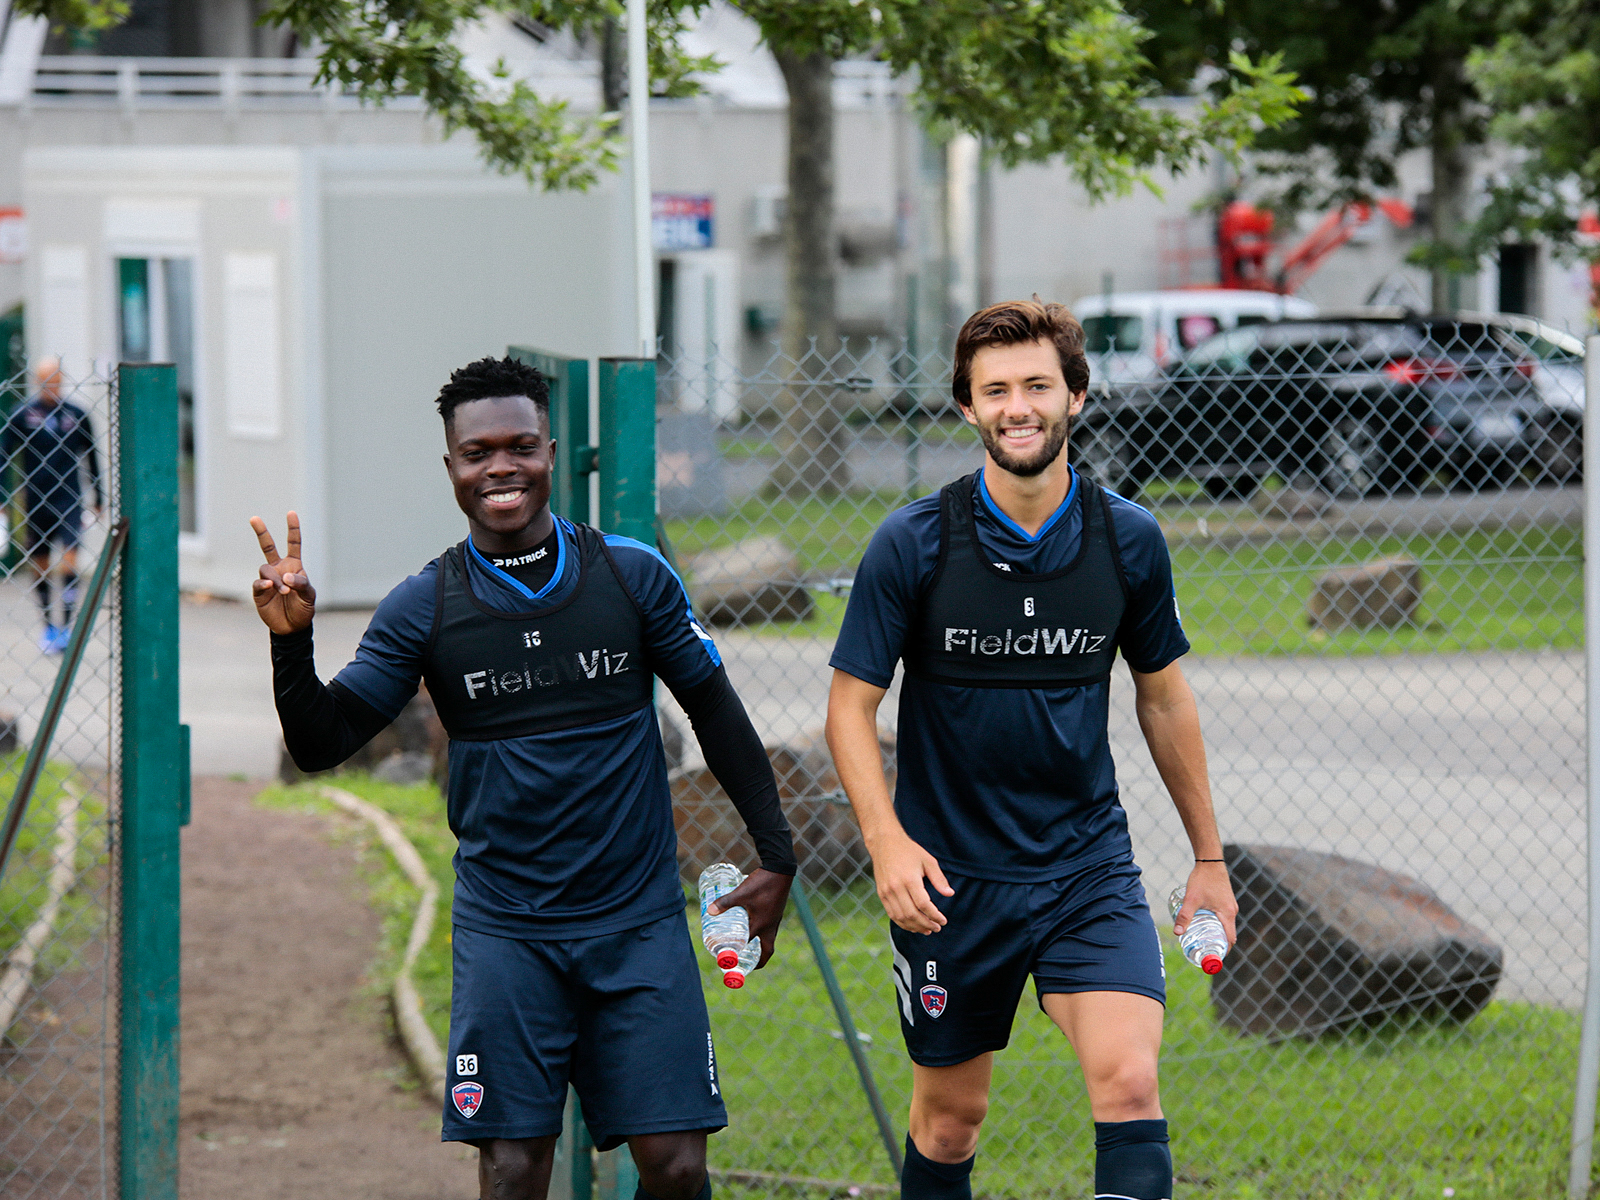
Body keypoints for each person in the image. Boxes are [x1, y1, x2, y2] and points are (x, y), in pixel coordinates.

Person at [251, 355, 794, 1200]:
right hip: (508, 932)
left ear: (547, 451)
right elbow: (324, 742)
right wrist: (292, 642)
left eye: (520, 446)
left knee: (679, 1168)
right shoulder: (425, 607)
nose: (500, 467)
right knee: (512, 1172)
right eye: (478, 453)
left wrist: (777, 856)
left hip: (638, 920)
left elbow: (718, 715)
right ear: (451, 469)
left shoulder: (630, 576)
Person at [824, 300, 1236, 1200]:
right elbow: (850, 709)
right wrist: (887, 841)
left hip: (1084, 864)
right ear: (967, 409)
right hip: (949, 878)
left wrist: (1209, 857)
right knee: (949, 1119)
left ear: (1076, 396)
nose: (1019, 406)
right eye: (996, 390)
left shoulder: (1127, 539)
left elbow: (1163, 696)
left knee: (1129, 1081)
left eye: (1037, 386)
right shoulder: (915, 543)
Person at [3, 357, 103, 653]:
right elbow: (4, 456)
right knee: (42, 564)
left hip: (69, 498)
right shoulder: (22, 415)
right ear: (37, 381)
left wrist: (98, 495)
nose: (52, 386)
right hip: (35, 499)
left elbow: (92, 457)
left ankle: (68, 626)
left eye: (56, 380)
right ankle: (48, 624)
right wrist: (3, 498)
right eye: (46, 380)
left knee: (71, 559)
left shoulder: (77, 415)